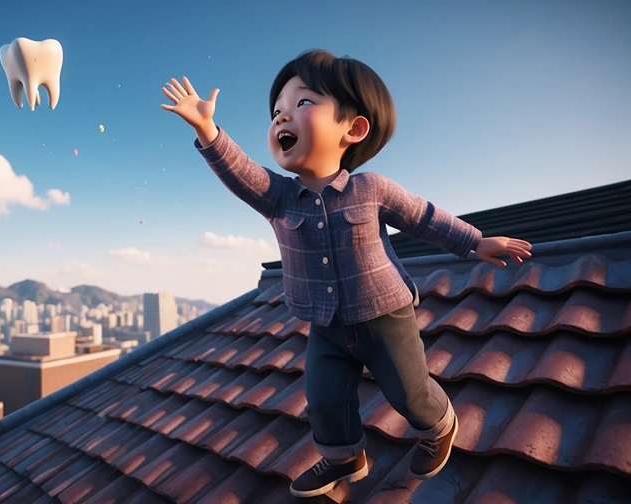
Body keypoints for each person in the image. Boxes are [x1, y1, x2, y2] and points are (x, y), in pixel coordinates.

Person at [160, 49, 533, 498]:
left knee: (410, 395)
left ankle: (439, 426)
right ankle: (344, 457)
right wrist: (207, 130)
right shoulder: (278, 198)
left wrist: (475, 241)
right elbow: (241, 173)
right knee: (324, 397)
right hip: (325, 322)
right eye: (277, 110)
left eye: (302, 104)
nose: (282, 118)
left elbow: (423, 216)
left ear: (353, 129)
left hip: (384, 316)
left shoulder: (369, 188)